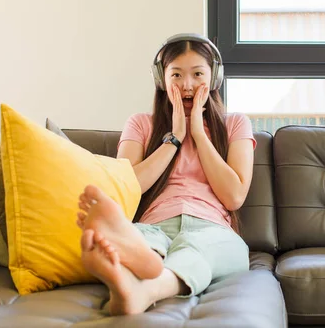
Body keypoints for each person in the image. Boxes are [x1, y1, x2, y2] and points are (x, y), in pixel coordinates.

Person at [75, 33, 256, 315]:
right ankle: (137, 256)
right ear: (161, 80)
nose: (187, 85)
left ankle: (141, 287)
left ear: (215, 78)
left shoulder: (235, 124)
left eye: (198, 74)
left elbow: (233, 197)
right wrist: (175, 138)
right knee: (145, 238)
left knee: (200, 250)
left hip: (213, 229)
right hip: (156, 223)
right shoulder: (140, 124)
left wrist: (197, 132)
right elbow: (129, 188)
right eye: (176, 75)